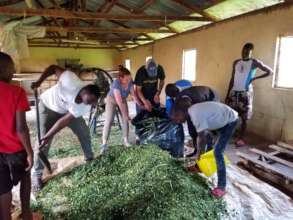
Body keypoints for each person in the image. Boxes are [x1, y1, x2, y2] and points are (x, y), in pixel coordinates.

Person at [31, 65, 100, 191]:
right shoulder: (69, 79)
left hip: (66, 112)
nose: (90, 105)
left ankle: (89, 158)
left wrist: (50, 134)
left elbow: (63, 121)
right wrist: (39, 82)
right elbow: (53, 68)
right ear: (84, 91)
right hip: (47, 106)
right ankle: (37, 174)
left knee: (83, 132)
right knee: (42, 142)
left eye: (92, 103)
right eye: (89, 101)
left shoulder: (84, 106)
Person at [171, 97, 238, 198]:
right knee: (209, 140)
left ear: (182, 112)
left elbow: (201, 138)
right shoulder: (193, 111)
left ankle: (221, 187)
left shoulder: (195, 114)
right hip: (222, 118)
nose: (178, 120)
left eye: (177, 116)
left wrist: (199, 154)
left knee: (218, 152)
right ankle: (201, 166)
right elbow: (204, 134)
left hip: (230, 121)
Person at [0, 52, 33, 220]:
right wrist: (30, 152)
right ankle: (26, 213)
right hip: (16, 150)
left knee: (3, 189)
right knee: (26, 176)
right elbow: (21, 128)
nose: (13, 71)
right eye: (12, 67)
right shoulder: (17, 92)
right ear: (6, 70)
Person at [225, 43, 273, 146]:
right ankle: (230, 134)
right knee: (232, 115)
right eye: (243, 51)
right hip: (234, 92)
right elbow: (232, 78)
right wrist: (228, 93)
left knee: (244, 117)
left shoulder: (254, 62)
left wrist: (255, 78)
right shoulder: (236, 62)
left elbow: (270, 72)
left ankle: (241, 139)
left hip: (245, 93)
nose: (244, 53)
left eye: (247, 52)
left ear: (251, 52)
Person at [101, 65, 142, 153]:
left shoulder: (130, 83)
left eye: (129, 79)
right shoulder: (116, 84)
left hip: (122, 100)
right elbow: (119, 103)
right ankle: (104, 144)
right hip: (112, 100)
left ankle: (126, 140)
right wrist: (126, 115)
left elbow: (134, 96)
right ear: (120, 78)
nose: (128, 81)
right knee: (109, 120)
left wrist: (141, 105)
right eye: (126, 80)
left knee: (125, 120)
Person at [167, 85, 220, 152]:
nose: (179, 121)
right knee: (191, 129)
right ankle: (197, 147)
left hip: (211, 97)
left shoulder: (198, 102)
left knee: (206, 127)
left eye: (180, 120)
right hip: (193, 101)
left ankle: (209, 147)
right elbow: (173, 114)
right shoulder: (178, 100)